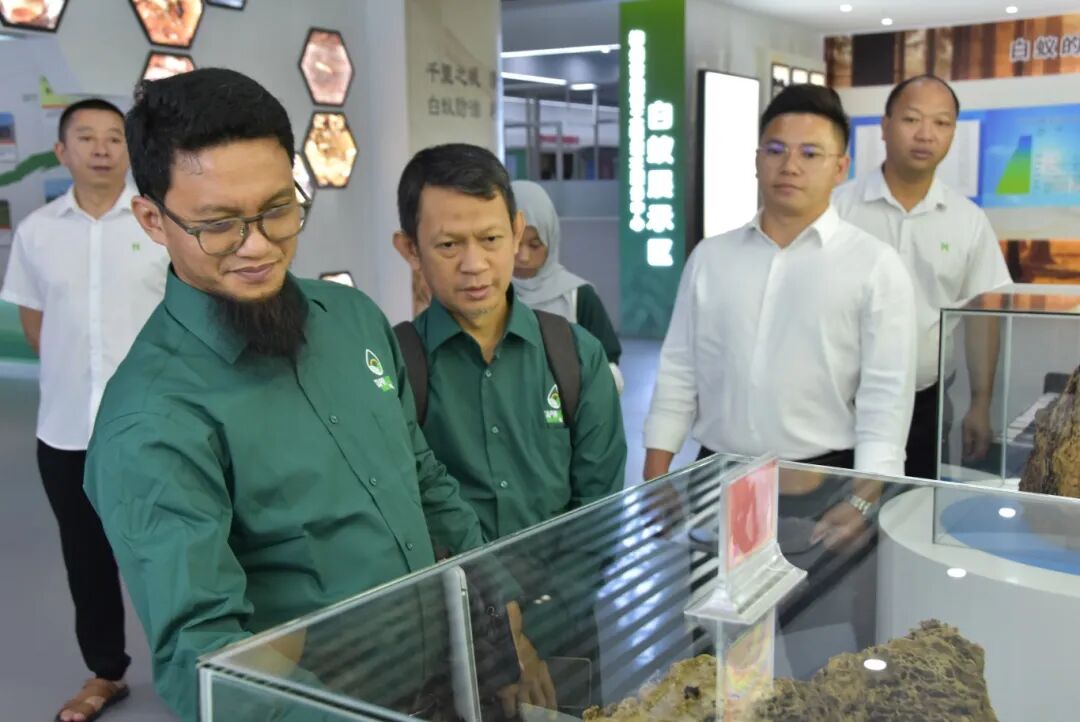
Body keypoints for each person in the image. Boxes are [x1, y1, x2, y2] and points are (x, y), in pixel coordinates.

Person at [82, 69, 547, 722]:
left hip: (446, 683)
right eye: (219, 224)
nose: (258, 246)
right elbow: (206, 664)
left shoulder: (352, 319)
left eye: (278, 210)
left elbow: (424, 482)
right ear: (154, 220)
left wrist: (506, 629)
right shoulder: (152, 419)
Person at [392, 143, 627, 711]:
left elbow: (597, 514)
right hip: (448, 643)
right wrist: (500, 642)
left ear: (518, 232)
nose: (474, 264)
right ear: (410, 249)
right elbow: (407, 519)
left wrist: (531, 637)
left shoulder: (575, 356)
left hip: (564, 633)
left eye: (491, 239)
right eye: (449, 245)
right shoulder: (395, 366)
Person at [644, 84, 917, 551]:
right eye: (775, 150)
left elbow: (886, 397)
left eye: (810, 153)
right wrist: (656, 473)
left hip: (822, 487)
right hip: (715, 479)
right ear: (757, 160)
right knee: (712, 599)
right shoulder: (712, 258)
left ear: (840, 168)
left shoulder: (874, 265)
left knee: (816, 601)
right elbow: (679, 369)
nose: (790, 165)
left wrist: (863, 499)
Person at [0, 97, 169, 722]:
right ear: (62, 151)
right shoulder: (38, 231)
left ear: (130, 150)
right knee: (87, 556)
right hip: (66, 430)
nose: (101, 148)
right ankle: (105, 672)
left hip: (155, 427)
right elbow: (35, 325)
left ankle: (194, 664)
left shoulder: (158, 224)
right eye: (87, 137)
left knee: (173, 548)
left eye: (114, 137)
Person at [833, 74, 1011, 480]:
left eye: (941, 123)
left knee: (912, 508)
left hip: (925, 404)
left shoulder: (967, 221)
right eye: (912, 119)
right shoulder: (838, 208)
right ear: (885, 126)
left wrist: (981, 402)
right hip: (836, 401)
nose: (926, 134)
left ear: (953, 133)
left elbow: (983, 320)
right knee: (831, 509)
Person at [510, 180, 623, 391]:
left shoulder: (578, 296)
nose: (524, 256)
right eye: (515, 243)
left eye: (535, 245)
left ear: (551, 239)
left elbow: (608, 367)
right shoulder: (486, 294)